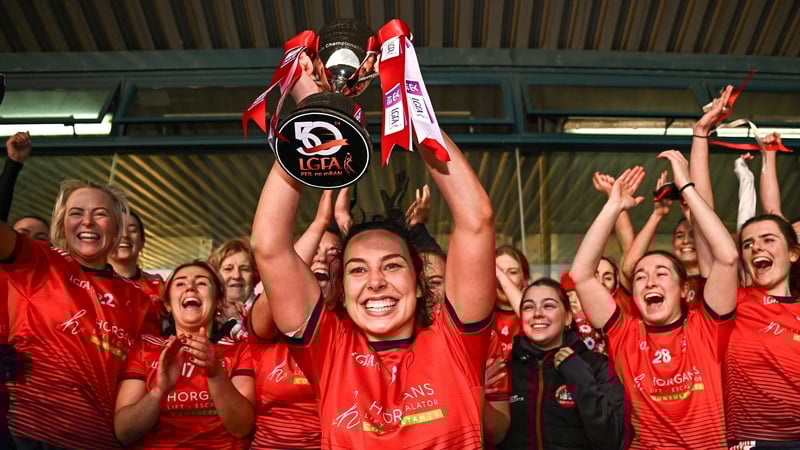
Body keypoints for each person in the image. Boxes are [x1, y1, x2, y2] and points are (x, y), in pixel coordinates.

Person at [252, 45, 495, 448]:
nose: (376, 281)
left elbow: (476, 219)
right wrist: (311, 112)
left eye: (393, 265)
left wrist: (404, 98)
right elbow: (270, 245)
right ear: (343, 290)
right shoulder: (328, 350)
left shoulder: (455, 344)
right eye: (358, 269)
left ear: (420, 283)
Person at [572, 153, 738, 448]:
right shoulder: (624, 333)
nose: (649, 280)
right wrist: (613, 206)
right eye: (640, 277)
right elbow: (582, 274)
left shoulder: (708, 328)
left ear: (685, 290)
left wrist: (687, 186)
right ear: (633, 294)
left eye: (661, 273)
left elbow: (727, 257)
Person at [1, 179, 152, 449]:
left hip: (100, 441)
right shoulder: (38, 261)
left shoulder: (140, 302)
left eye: (101, 214)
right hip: (28, 435)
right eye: (76, 213)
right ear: (60, 225)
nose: (88, 222)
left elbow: (139, 386)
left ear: (118, 228)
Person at [692, 86, 800, 446]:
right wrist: (701, 135)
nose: (755, 249)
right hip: (748, 441)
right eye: (748, 244)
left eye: (769, 240)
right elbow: (702, 217)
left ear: (793, 253)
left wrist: (769, 159)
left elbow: (774, 214)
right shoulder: (732, 301)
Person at [114, 261, 255, 449]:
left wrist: (215, 373)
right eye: (180, 283)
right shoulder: (144, 347)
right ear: (168, 304)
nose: (190, 287)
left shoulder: (240, 349)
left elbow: (242, 428)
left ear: (219, 300)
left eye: (202, 283)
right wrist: (159, 391)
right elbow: (124, 432)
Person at [498, 278, 628, 450]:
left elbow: (614, 440)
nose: (537, 313)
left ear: (567, 317)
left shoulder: (596, 365)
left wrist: (579, 376)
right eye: (528, 307)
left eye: (549, 305)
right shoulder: (506, 370)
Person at [109, 211, 164, 336]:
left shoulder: (158, 285)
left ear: (142, 241)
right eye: (116, 230)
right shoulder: (90, 282)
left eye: (132, 230)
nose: (124, 235)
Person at [495, 245, 530, 358]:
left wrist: (499, 274)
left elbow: (529, 315)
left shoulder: (537, 315)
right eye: (498, 273)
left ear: (525, 279)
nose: (503, 279)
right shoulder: (479, 314)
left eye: (512, 272)